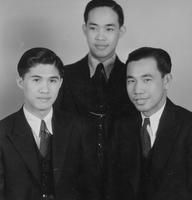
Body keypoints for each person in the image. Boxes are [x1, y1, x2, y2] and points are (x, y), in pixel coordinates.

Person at [55, 0, 135, 198]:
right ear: (84, 29)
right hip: (74, 190)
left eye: (109, 28)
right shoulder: (64, 76)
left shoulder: (133, 78)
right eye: (93, 28)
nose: (100, 37)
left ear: (121, 31)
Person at [0, 47, 99, 200]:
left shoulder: (79, 127)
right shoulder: (3, 132)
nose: (45, 90)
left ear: (60, 83)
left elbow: (92, 189)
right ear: (20, 82)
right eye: (36, 80)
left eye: (52, 80)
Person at [110, 47, 192, 200]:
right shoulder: (120, 126)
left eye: (147, 80)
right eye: (131, 80)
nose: (137, 90)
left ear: (166, 81)